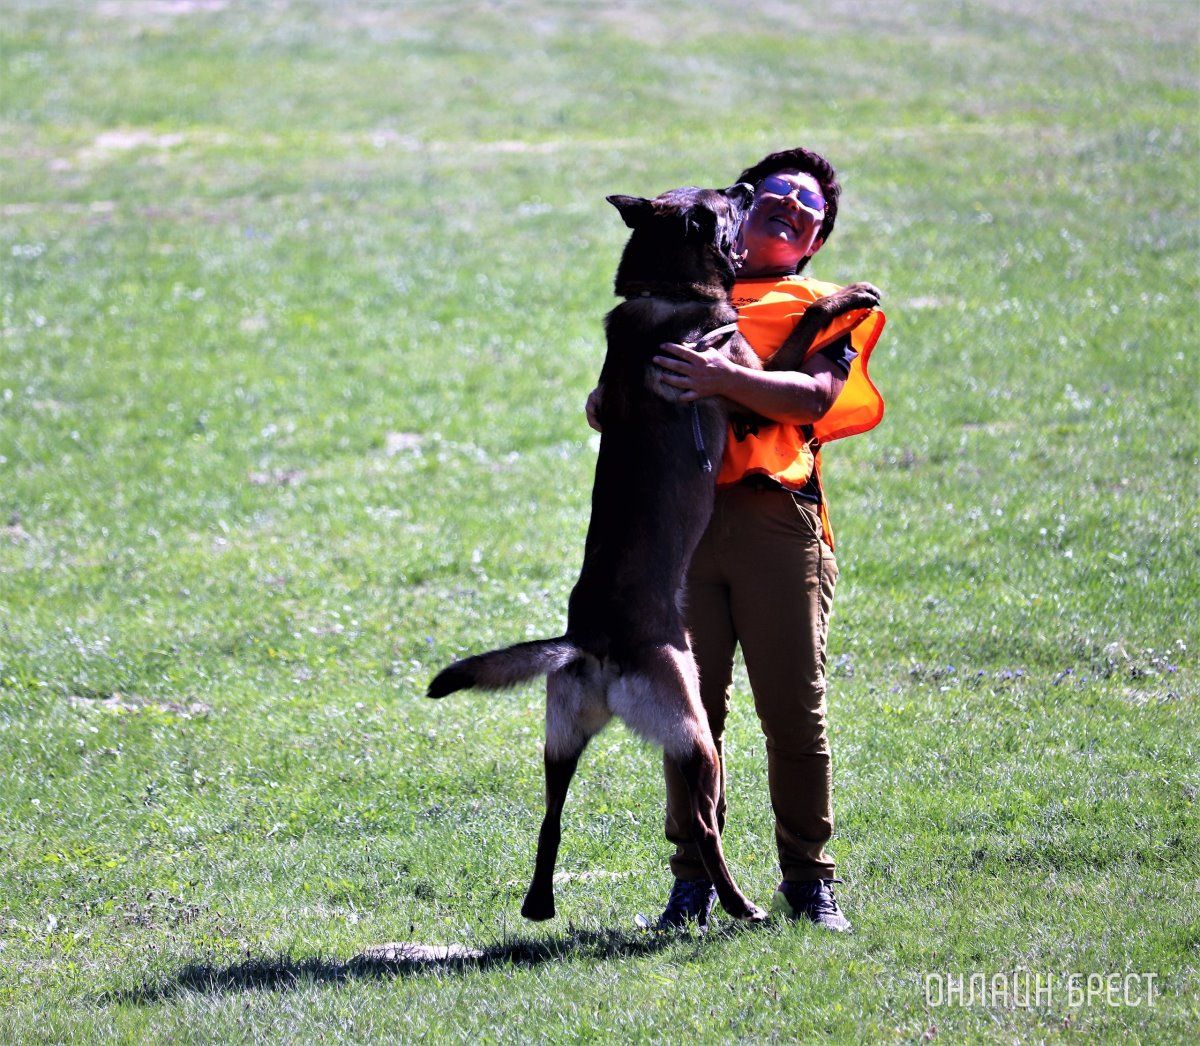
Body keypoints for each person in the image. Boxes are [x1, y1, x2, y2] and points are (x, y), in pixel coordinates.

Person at [585, 148, 885, 932]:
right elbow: (607, 400)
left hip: (775, 525)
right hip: (678, 532)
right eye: (776, 194)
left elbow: (814, 398)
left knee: (794, 713)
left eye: (809, 209)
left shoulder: (823, 303)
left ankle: (810, 883)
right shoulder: (678, 289)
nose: (790, 207)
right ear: (738, 213)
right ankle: (691, 883)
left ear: (815, 240)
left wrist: (722, 380)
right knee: (694, 717)